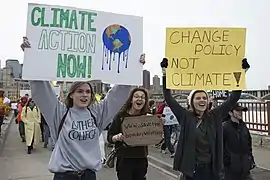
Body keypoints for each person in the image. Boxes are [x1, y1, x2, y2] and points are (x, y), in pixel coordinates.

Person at [21, 37, 145, 180]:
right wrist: (30, 56)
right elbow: (41, 90)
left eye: (88, 91)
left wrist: (134, 67)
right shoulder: (59, 113)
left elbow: (117, 95)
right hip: (64, 176)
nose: (84, 95)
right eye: (80, 91)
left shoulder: (97, 114)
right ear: (71, 95)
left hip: (89, 175)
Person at [160, 58, 250, 180]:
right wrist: (165, 74)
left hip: (212, 171)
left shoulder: (215, 115)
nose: (201, 100)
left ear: (208, 101)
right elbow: (169, 98)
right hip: (192, 171)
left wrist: (242, 72)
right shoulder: (185, 116)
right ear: (192, 102)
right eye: (197, 98)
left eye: (204, 98)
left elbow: (233, 98)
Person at [107, 87, 149, 180]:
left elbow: (155, 136)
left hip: (141, 159)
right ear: (131, 100)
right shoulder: (120, 116)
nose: (140, 99)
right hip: (124, 159)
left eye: (143, 97)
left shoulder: (148, 117)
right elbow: (109, 137)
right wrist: (116, 137)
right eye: (136, 96)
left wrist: (158, 125)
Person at [223, 103, 255, 180]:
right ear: (230, 113)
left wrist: (250, 158)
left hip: (245, 167)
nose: (240, 112)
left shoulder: (243, 126)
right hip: (230, 170)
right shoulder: (224, 127)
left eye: (241, 110)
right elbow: (220, 147)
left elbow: (248, 143)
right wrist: (227, 161)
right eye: (237, 110)